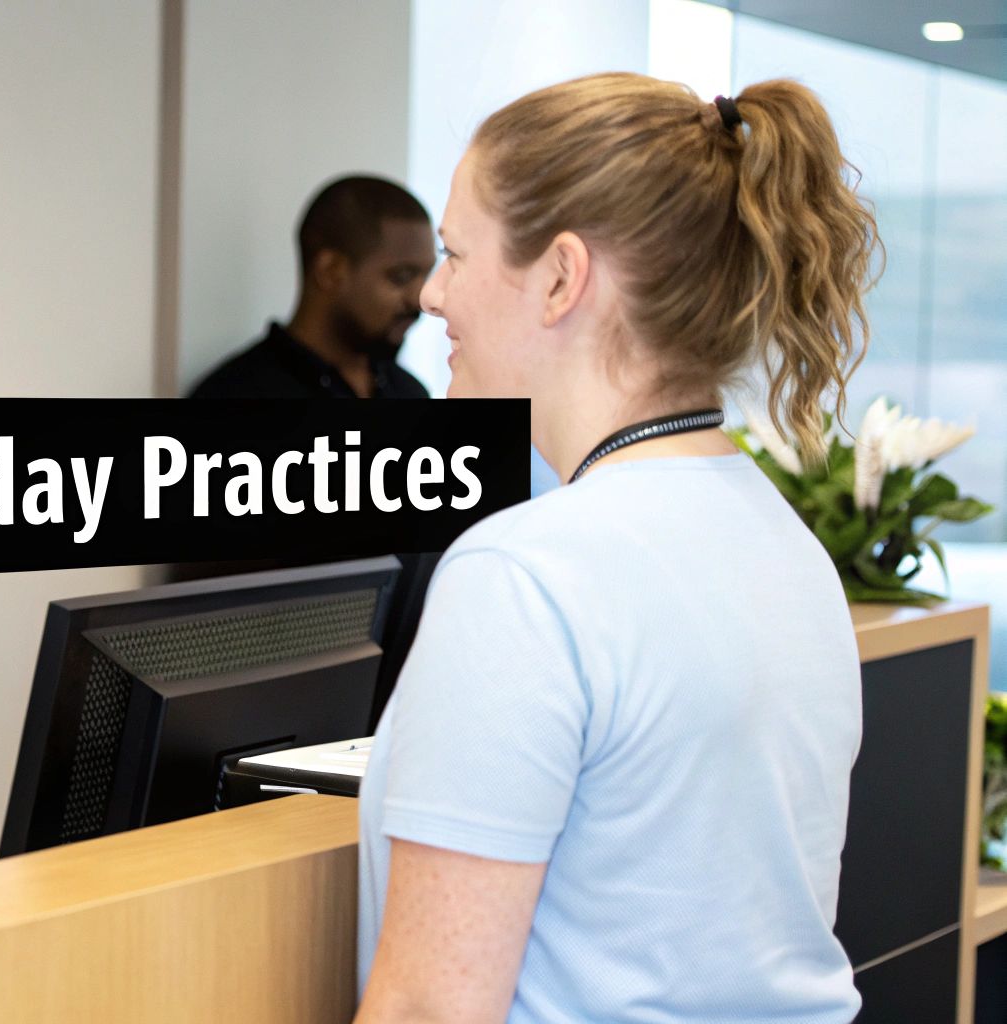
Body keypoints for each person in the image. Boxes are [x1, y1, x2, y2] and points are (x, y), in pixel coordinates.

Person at [356, 74, 878, 1022]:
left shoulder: (524, 576)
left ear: (561, 276)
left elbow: (431, 1009)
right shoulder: (786, 548)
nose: (433, 296)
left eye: (454, 253)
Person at [188, 175, 435, 400]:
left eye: (426, 276)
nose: (420, 299)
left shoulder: (409, 392)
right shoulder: (234, 398)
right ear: (330, 272)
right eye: (402, 277)